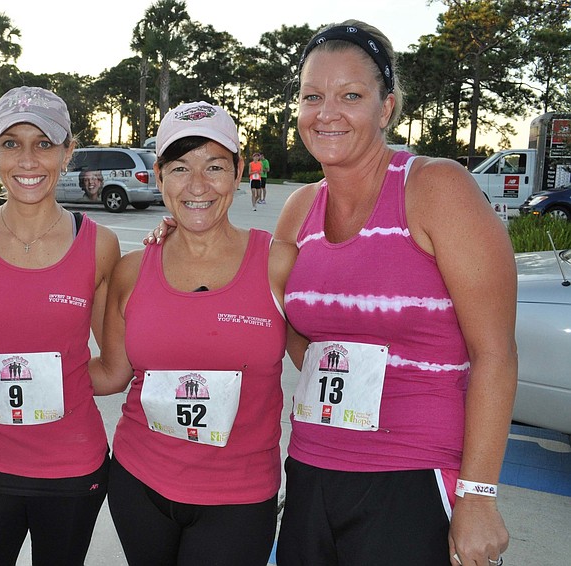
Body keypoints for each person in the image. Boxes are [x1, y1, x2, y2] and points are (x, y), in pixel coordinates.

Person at [274, 20, 516, 566]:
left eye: (351, 96)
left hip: (412, 475)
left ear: (386, 108)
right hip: (311, 469)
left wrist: (478, 495)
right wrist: (177, 238)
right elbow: (289, 325)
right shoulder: (299, 209)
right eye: (312, 96)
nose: (327, 112)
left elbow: (496, 353)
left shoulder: (435, 188)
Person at [90, 100, 297, 566]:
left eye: (215, 166)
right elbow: (113, 373)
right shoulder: (132, 269)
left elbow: (322, 356)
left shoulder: (280, 263)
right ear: (159, 177)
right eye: (180, 168)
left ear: (239, 172)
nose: (198, 185)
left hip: (239, 497)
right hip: (139, 483)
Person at [0, 86, 120, 566]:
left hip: (72, 469)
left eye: (44, 144)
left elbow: (115, 369)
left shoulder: (99, 244)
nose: (27, 159)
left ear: (67, 152)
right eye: (11, 143)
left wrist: (59, 381)